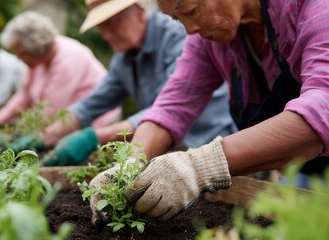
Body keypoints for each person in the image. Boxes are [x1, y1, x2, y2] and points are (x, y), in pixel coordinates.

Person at [90, 0, 329, 222]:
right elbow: (174, 105)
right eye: (178, 19)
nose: (190, 30)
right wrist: (131, 163)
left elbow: (322, 105)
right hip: (294, 172)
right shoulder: (209, 41)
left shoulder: (313, 7)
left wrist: (202, 165)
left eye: (192, 11)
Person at [24, 0, 237, 166]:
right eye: (101, 28)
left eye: (111, 23)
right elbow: (90, 105)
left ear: (139, 10)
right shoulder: (123, 58)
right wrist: (42, 138)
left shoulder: (178, 34)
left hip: (216, 148)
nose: (106, 35)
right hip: (169, 155)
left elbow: (172, 107)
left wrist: (93, 138)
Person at [0, 11, 120, 141]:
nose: (18, 58)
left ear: (36, 47)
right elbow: (24, 95)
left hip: (97, 121)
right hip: (65, 121)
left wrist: (19, 134)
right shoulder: (36, 62)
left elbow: (51, 111)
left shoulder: (67, 60)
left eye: (22, 53)